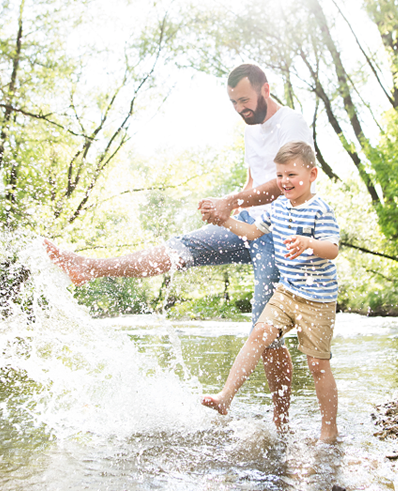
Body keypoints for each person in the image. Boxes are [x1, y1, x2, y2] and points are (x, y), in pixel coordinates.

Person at [44, 64, 313, 430]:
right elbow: (254, 178)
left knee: (264, 329)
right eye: (234, 102)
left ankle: (281, 422)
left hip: (281, 235)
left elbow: (284, 182)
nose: (240, 109)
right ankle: (92, 267)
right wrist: (228, 209)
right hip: (248, 226)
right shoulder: (251, 127)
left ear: (266, 89)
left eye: (245, 100)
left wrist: (229, 200)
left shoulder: (291, 123)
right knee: (181, 247)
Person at [201, 141, 341, 443]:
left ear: (312, 174)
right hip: (287, 292)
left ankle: (329, 429)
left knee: (318, 365)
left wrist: (309, 244)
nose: (285, 182)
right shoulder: (277, 207)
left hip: (318, 299)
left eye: (291, 174)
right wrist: (224, 220)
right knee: (259, 334)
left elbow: (332, 249)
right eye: (280, 176)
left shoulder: (320, 209)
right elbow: (253, 233)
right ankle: (226, 397)